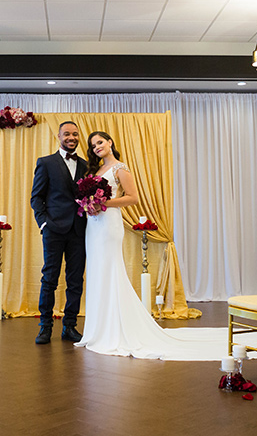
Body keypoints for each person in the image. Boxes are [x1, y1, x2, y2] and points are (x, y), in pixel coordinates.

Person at [76, 130, 226, 360]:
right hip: (93, 225)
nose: (97, 147)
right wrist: (89, 204)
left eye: (100, 142)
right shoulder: (96, 170)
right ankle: (99, 329)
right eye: (93, 144)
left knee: (110, 271)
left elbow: (133, 197)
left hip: (109, 225)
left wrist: (105, 202)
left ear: (110, 142)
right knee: (97, 273)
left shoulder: (120, 168)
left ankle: (114, 330)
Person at [30, 121, 88, 344]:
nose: (71, 137)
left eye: (75, 134)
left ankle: (70, 326)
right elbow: (36, 197)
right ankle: (45, 326)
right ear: (59, 136)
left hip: (79, 231)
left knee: (75, 280)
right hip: (53, 229)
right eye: (67, 134)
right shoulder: (46, 163)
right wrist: (43, 223)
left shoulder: (84, 165)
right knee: (50, 278)